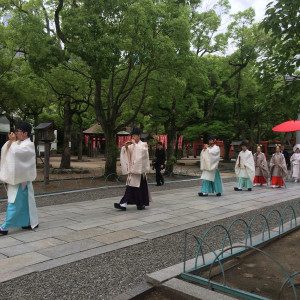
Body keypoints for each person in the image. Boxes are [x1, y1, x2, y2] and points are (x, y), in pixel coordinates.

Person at [0, 121, 39, 235]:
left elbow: (17, 153)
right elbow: (6, 150)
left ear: (25, 133)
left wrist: (12, 142)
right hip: (19, 179)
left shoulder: (29, 145)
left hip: (21, 180)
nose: (16, 133)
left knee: (14, 202)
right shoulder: (18, 143)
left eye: (18, 131)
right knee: (25, 202)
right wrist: (11, 142)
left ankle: (5, 227)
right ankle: (27, 222)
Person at [114, 128, 151, 211]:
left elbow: (142, 155)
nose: (133, 137)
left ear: (139, 136)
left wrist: (135, 145)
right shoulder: (132, 145)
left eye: (135, 135)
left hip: (139, 171)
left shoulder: (143, 145)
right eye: (132, 136)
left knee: (132, 188)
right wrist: (126, 147)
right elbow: (128, 155)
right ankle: (139, 204)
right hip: (133, 171)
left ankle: (124, 204)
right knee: (135, 188)